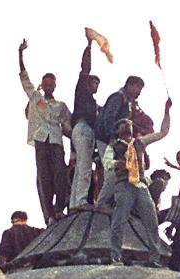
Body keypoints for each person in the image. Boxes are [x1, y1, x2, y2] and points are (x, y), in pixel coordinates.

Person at [101, 98, 172, 266]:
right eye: (123, 124)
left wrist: (167, 112)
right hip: (124, 185)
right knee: (119, 220)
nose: (127, 126)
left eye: (129, 124)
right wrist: (119, 163)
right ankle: (115, 256)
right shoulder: (114, 146)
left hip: (140, 185)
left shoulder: (139, 143)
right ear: (118, 130)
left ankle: (154, 257)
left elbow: (162, 132)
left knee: (152, 221)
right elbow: (107, 163)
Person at [19, 39, 73, 226]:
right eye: (46, 84)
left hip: (56, 142)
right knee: (44, 176)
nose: (49, 86)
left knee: (60, 174)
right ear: (42, 85)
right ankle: (49, 214)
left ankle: (59, 209)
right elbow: (25, 82)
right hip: (41, 140)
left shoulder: (61, 106)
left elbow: (69, 127)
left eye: (52, 84)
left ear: (55, 86)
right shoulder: (38, 101)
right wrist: (20, 55)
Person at [70, 31, 106, 212]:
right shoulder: (82, 92)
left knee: (80, 168)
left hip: (85, 130)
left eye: (98, 84)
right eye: (94, 83)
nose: (96, 86)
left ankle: (75, 203)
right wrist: (89, 46)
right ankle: (81, 201)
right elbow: (85, 69)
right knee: (84, 167)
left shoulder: (93, 103)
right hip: (83, 128)